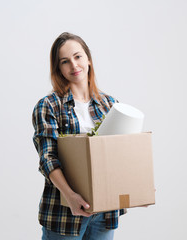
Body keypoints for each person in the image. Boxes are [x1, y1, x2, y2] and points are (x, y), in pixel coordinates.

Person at [32, 32, 125, 239]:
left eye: (78, 56)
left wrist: (135, 187)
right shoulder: (48, 105)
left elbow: (122, 153)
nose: (74, 66)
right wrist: (71, 196)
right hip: (64, 210)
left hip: (105, 212)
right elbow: (48, 159)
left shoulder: (110, 105)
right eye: (65, 61)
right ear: (58, 68)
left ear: (88, 59)